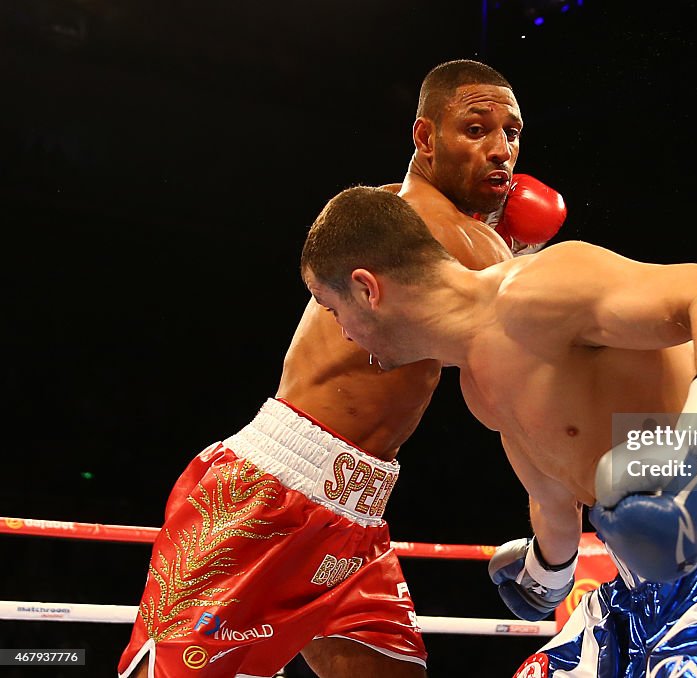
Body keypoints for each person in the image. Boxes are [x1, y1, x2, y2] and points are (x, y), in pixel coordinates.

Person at [117, 59, 566, 678]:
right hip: (269, 495)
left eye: (511, 134)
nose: (500, 151)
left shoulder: (400, 213)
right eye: (476, 129)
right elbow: (546, 365)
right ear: (426, 138)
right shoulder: (452, 237)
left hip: (353, 513)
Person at [300, 186, 697, 678]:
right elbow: (556, 498)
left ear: (368, 289)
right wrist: (546, 571)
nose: (342, 332)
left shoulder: (539, 290)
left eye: (333, 308)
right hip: (635, 584)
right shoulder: (480, 391)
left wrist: (695, 452)